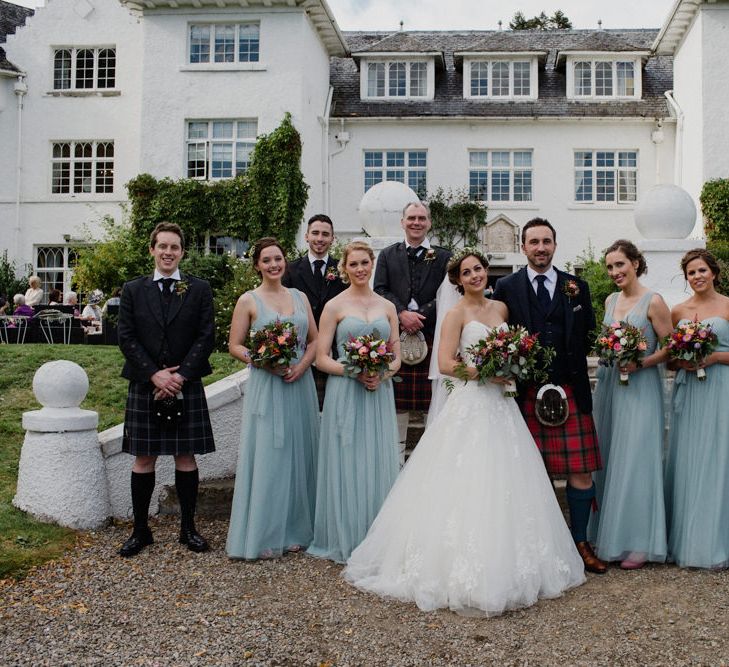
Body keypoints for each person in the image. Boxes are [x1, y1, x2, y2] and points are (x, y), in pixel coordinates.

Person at [344, 250, 585, 615]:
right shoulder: (455, 314)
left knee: (507, 476)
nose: (474, 276)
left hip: (503, 405)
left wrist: (513, 367)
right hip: (473, 402)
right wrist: (488, 373)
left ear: (487, 273)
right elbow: (444, 363)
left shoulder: (502, 309)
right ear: (457, 280)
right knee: (467, 476)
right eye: (467, 272)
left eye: (479, 269)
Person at [492, 218, 606, 574]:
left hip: (571, 388)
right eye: (533, 242)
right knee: (530, 473)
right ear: (523, 246)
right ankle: (540, 548)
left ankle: (580, 543)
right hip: (526, 392)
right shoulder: (506, 287)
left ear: (555, 245)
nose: (540, 247)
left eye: (546, 241)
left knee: (581, 473)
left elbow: (587, 331)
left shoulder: (577, 286)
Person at [116, 221, 216, 557]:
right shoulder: (133, 289)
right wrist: (155, 376)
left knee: (185, 456)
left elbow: (206, 336)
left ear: (182, 252)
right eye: (163, 246)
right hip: (146, 384)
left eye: (174, 247)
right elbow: (126, 337)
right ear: (152, 249)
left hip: (185, 383)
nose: (168, 252)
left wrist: (180, 377)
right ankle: (140, 530)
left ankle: (188, 529)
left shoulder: (198, 289)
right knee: (144, 457)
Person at [226, 237, 320, 560]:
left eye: (278, 258)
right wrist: (262, 360)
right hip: (268, 385)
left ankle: (296, 530)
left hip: (300, 383)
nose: (273, 265)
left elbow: (314, 340)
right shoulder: (248, 300)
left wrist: (302, 366)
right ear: (257, 265)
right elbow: (235, 345)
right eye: (266, 260)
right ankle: (264, 532)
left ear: (285, 261)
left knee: (300, 453)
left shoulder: (299, 297)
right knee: (269, 455)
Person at [307, 241, 401, 563]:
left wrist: (381, 374)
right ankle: (346, 534)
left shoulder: (387, 307)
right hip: (345, 391)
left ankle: (378, 535)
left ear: (372, 263)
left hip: (378, 393)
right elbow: (321, 358)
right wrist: (354, 372)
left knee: (376, 457)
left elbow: (397, 357)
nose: (360, 269)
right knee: (347, 459)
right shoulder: (333, 306)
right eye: (353, 264)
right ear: (344, 268)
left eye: (365, 262)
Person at [587, 240, 672, 569]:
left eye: (620, 264)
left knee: (637, 458)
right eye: (610, 267)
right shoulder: (610, 300)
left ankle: (640, 540)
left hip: (640, 387)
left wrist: (642, 363)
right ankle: (610, 534)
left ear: (636, 263)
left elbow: (671, 347)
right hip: (610, 387)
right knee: (609, 455)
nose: (614, 272)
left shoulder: (654, 301)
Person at [665, 248, 729, 569]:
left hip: (722, 389)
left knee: (719, 458)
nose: (697, 276)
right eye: (691, 272)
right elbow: (672, 359)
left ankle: (719, 540)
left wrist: (714, 356)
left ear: (713, 272)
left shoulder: (728, 306)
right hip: (691, 391)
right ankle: (692, 539)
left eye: (702, 270)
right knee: (692, 459)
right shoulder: (678, 312)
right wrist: (684, 360)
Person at [374, 201, 451, 453]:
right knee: (397, 405)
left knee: (434, 404)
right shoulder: (387, 254)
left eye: (421, 218)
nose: (416, 222)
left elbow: (448, 294)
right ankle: (395, 457)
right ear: (402, 222)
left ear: (429, 222)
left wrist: (420, 315)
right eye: (411, 218)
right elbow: (380, 290)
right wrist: (401, 314)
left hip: (432, 338)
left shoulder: (444, 256)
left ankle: (430, 457)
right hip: (397, 338)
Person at [282, 214, 346, 409]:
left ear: (332, 238)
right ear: (306, 236)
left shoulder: (343, 270)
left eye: (325, 234)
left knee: (332, 411)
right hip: (300, 352)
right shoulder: (290, 270)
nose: (320, 238)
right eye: (315, 233)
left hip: (334, 352)